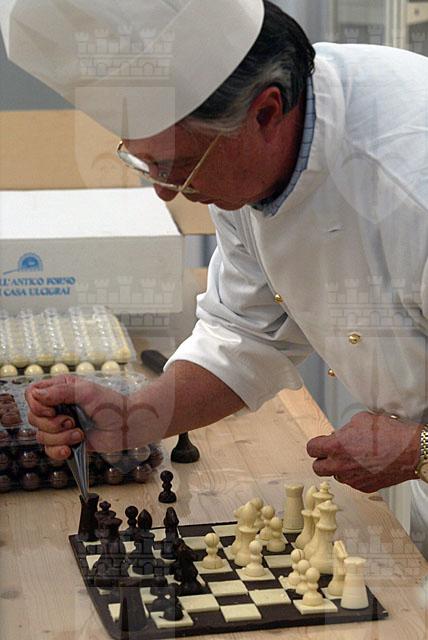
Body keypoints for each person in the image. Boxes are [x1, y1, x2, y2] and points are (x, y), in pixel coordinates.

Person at [4, 1, 428, 554]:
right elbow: (245, 331)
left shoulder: (411, 186)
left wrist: (418, 449)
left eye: (178, 168)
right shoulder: (248, 154)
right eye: (146, 164)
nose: (166, 192)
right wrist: (134, 416)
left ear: (266, 113)